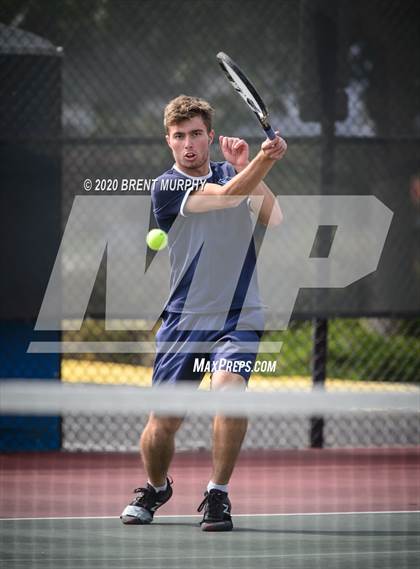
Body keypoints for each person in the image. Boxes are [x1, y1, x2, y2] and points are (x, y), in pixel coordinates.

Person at [120, 95, 287, 531]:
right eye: (180, 137)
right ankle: (156, 487)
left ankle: (218, 493)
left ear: (210, 136)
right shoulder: (167, 187)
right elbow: (229, 196)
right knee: (164, 421)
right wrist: (264, 163)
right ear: (169, 142)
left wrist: (250, 164)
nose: (189, 144)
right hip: (186, 319)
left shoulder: (234, 171)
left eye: (196, 134)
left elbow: (275, 216)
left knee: (229, 392)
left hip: (239, 313)